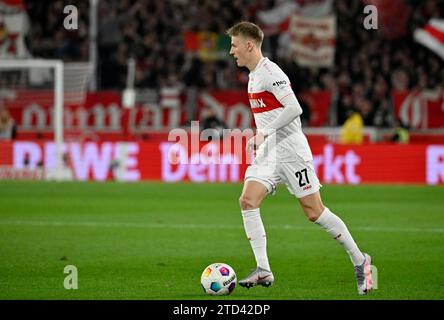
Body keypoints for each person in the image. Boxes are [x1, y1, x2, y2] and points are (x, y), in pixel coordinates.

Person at [227, 22, 374, 295]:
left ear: (249, 45)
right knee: (247, 200)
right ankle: (263, 269)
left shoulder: (271, 72)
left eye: (234, 45)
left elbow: (295, 108)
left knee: (314, 212)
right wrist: (260, 140)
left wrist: (263, 133)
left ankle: (360, 259)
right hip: (270, 152)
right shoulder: (252, 76)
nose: (232, 51)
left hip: (292, 151)